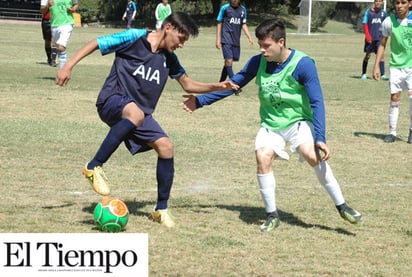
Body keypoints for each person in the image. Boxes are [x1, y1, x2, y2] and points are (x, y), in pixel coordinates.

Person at [55, 12, 239, 228]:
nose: (181, 45)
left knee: (166, 147)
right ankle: (94, 166)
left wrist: (218, 86)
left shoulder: (169, 58)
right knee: (136, 114)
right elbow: (96, 42)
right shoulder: (134, 37)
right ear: (168, 27)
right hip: (112, 100)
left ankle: (160, 209)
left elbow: (188, 84)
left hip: (138, 114)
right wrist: (68, 66)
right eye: (181, 39)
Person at [181, 18, 362, 232]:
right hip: (271, 124)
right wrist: (200, 101)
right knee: (262, 156)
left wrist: (320, 138)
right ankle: (271, 215)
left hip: (298, 122)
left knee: (311, 153)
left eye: (266, 46)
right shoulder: (259, 62)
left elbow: (317, 102)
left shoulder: (303, 64)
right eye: (260, 45)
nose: (262, 50)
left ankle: (342, 206)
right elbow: (233, 85)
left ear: (281, 42)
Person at [373, 0, 412, 143]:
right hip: (395, 66)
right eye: (397, 3)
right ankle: (392, 132)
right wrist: (376, 65)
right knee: (394, 99)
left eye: (403, 2)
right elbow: (382, 44)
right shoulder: (388, 22)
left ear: (410, 3)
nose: (400, 6)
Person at [216, 0, 254, 82]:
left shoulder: (243, 9)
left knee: (228, 62)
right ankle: (234, 83)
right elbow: (219, 23)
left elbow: (243, 24)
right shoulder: (225, 8)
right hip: (226, 38)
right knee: (229, 61)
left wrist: (249, 37)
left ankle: (220, 83)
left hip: (236, 39)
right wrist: (218, 39)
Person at [40, 0, 79, 70]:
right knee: (57, 47)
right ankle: (60, 67)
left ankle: (62, 72)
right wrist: (48, 5)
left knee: (61, 48)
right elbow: (42, 11)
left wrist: (73, 9)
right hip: (54, 24)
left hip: (67, 23)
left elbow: (76, 4)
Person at [360, 0, 388, 80]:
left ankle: (382, 74)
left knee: (381, 56)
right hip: (370, 38)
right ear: (374, 2)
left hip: (380, 38)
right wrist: (368, 36)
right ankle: (364, 73)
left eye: (380, 1)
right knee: (368, 55)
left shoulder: (384, 13)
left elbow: (386, 25)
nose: (378, 3)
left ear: (382, 3)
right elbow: (365, 24)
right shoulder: (368, 12)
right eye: (377, 1)